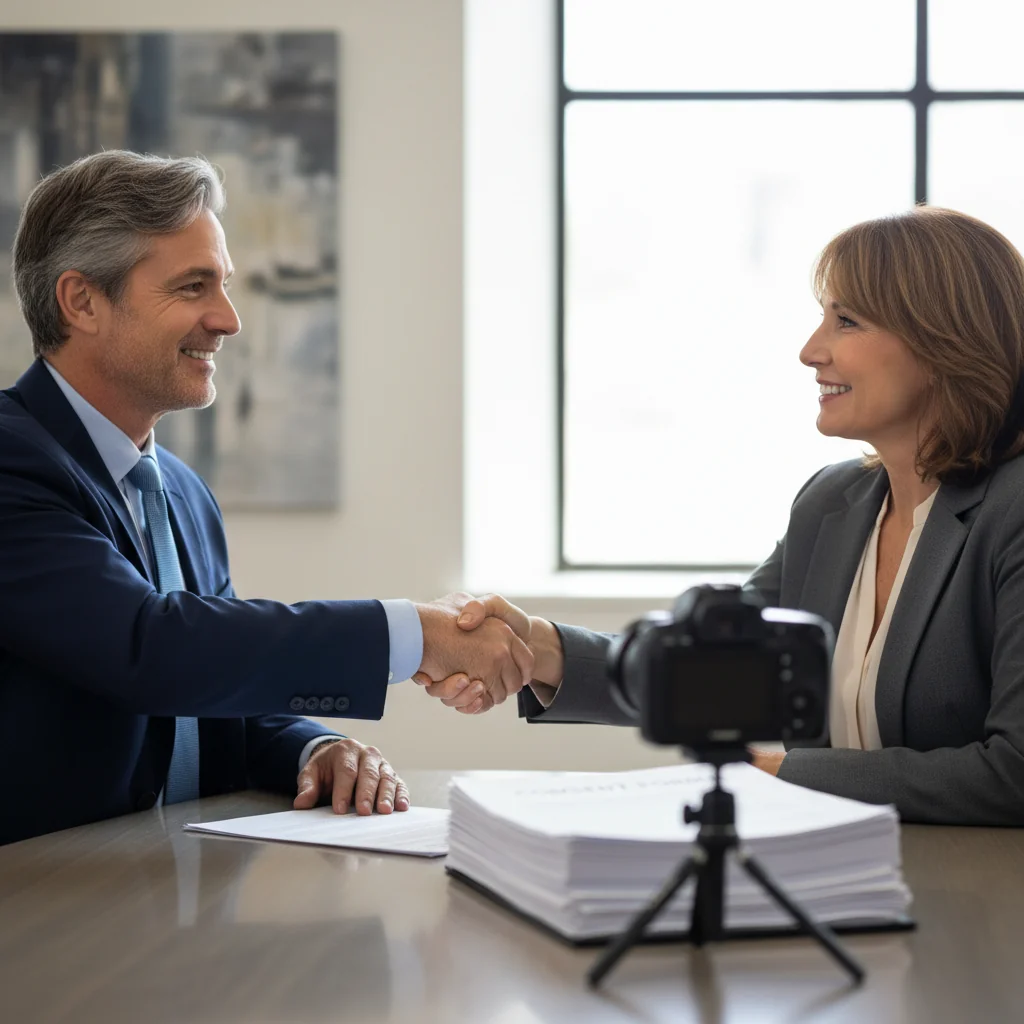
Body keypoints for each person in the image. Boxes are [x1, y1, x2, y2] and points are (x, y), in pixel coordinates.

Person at [423, 207, 1024, 827]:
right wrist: (534, 644)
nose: (810, 351)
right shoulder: (832, 504)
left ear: (943, 342)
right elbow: (708, 668)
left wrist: (770, 773)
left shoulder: (1012, 513)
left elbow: (1013, 774)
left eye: (846, 321)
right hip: (839, 877)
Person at [0, 150, 533, 846]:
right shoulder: (12, 460)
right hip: (44, 919)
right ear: (82, 301)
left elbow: (210, 690)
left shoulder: (182, 494)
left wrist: (316, 750)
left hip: (179, 909)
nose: (228, 320)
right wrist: (414, 634)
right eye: (193, 288)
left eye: (222, 286)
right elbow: (148, 649)